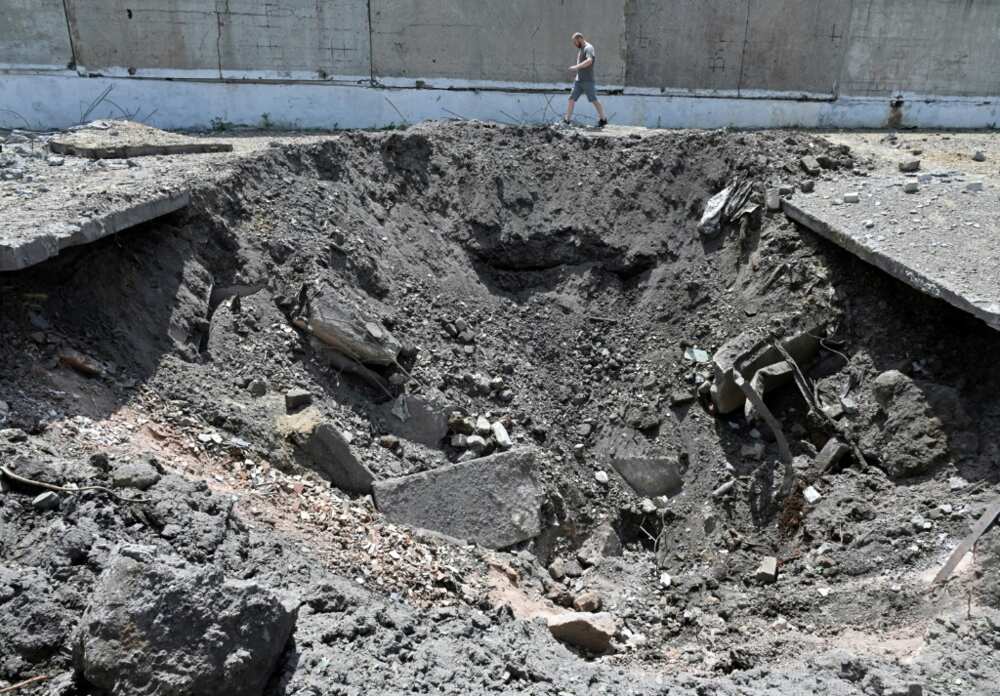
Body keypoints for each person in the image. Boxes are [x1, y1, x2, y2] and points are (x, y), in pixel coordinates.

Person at [564, 32, 608, 127]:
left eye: (575, 42)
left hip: (588, 80)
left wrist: (576, 67)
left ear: (580, 39)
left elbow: (589, 61)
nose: (574, 44)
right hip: (578, 81)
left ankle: (603, 119)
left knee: (593, 100)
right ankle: (566, 120)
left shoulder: (589, 48)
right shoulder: (581, 49)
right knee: (571, 99)